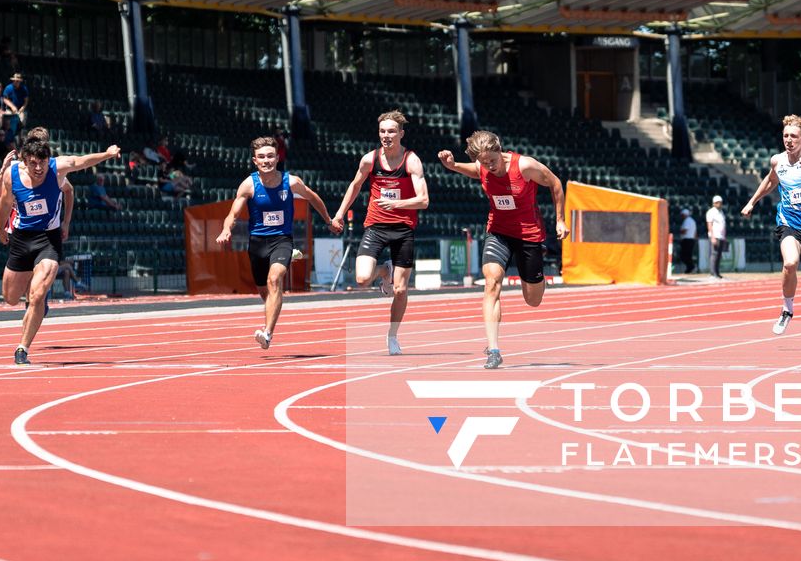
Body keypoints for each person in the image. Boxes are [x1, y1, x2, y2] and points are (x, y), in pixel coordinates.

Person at [0, 128, 120, 365]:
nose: (39, 168)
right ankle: (35, 297)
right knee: (9, 298)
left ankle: (22, 348)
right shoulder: (12, 173)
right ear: (25, 161)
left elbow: (81, 161)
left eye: (43, 163)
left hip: (48, 239)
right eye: (34, 163)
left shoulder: (57, 169)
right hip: (21, 239)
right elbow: (3, 201)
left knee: (37, 295)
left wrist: (108, 154)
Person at [436, 130, 566, 370]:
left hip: (529, 235)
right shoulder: (483, 165)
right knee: (492, 282)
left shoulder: (525, 166)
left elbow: (555, 183)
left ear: (500, 150)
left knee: (533, 299)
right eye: (484, 163)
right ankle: (493, 349)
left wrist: (560, 219)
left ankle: (537, 277)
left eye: (492, 161)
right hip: (498, 232)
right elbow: (475, 170)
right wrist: (453, 166)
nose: (489, 167)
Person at [215, 136, 337, 352]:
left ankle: (267, 333)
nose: (266, 160)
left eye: (270, 156)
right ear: (255, 160)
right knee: (266, 293)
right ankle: (290, 261)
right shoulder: (248, 184)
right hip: (257, 244)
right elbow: (232, 214)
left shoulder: (291, 182)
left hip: (281, 239)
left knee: (274, 280)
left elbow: (313, 197)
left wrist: (328, 220)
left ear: (277, 157)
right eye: (261, 157)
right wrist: (226, 229)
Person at [330, 110, 431, 355]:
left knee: (400, 289)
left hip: (403, 229)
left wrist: (397, 204)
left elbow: (424, 200)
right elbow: (355, 186)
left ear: (401, 134)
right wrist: (340, 214)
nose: (386, 136)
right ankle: (386, 269)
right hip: (376, 226)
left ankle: (392, 335)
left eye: (391, 131)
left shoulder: (411, 160)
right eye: (383, 131)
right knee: (362, 279)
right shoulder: (369, 159)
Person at [740, 115, 801, 335]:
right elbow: (770, 180)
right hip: (789, 223)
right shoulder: (778, 161)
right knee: (790, 263)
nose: (788, 140)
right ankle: (787, 310)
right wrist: (751, 202)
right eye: (785, 135)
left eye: (793, 136)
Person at [0, 73, 29, 141]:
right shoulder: (8, 88)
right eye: (14, 80)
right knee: (7, 122)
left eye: (17, 81)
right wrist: (12, 106)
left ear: (20, 81)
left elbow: (26, 101)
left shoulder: (24, 89)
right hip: (10, 110)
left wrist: (22, 108)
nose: (15, 82)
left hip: (20, 110)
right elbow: (5, 99)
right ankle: (6, 137)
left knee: (22, 121)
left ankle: (20, 137)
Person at [705, 195, 728, 278]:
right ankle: (712, 272)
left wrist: (724, 236)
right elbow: (709, 224)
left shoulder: (721, 212)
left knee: (719, 255)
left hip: (721, 236)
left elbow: (723, 225)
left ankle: (717, 272)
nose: (720, 204)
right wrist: (712, 237)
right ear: (714, 203)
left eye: (721, 203)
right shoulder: (711, 212)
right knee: (714, 254)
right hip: (715, 236)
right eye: (718, 203)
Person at [676, 207, 698, 276]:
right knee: (688, 255)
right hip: (691, 240)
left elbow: (684, 231)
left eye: (682, 215)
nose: (681, 216)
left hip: (687, 240)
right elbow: (695, 232)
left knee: (684, 256)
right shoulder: (692, 221)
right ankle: (689, 269)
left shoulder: (687, 221)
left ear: (685, 214)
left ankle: (691, 267)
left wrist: (679, 231)